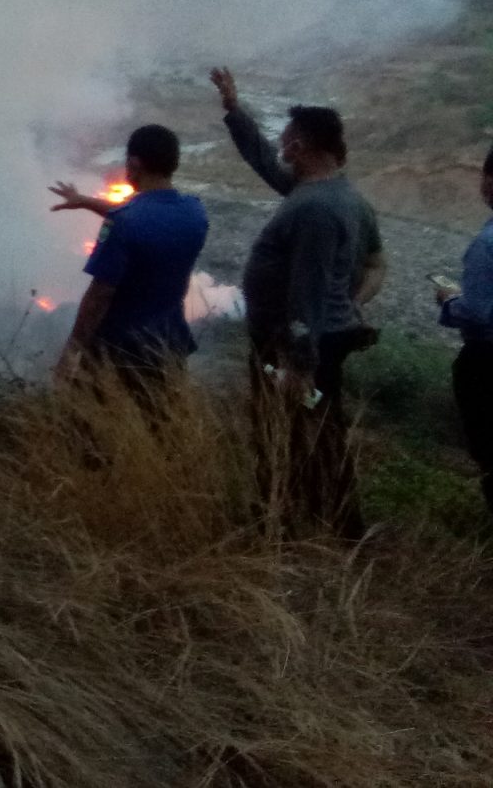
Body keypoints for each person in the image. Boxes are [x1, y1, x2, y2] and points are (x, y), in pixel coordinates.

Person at [212, 66, 385, 538]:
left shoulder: (314, 207)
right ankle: (337, 522)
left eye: (287, 140)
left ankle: (279, 522)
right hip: (318, 340)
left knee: (282, 431)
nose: (282, 148)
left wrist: (298, 363)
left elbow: (306, 293)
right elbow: (376, 263)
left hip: (291, 349)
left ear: (302, 146)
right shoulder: (335, 193)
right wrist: (234, 109)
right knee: (321, 427)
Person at [47, 124, 211, 400]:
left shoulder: (123, 222)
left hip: (119, 354)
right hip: (170, 345)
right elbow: (146, 217)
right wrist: (85, 201)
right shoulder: (195, 211)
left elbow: (100, 294)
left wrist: (72, 349)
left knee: (90, 431)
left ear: (134, 164)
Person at [431, 145, 493, 517]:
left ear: (487, 181)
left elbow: (476, 314)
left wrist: (450, 301)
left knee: (490, 453)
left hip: (487, 362)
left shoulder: (486, 245)